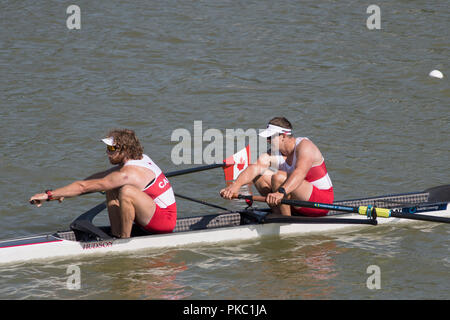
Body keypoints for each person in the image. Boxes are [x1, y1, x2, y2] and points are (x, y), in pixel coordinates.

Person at [29, 129, 177, 238]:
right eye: (107, 148)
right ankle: (117, 234)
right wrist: (60, 194)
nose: (107, 152)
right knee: (110, 187)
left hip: (164, 221)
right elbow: (91, 182)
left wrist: (48, 195)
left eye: (112, 148)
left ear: (125, 150)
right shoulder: (139, 158)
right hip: (152, 212)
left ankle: (124, 242)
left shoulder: (128, 174)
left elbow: (83, 187)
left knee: (126, 191)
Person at [220, 117, 333, 216]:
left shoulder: (305, 146)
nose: (267, 140)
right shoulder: (274, 153)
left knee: (278, 177)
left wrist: (281, 193)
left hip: (321, 203)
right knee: (259, 174)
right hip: (298, 201)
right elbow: (255, 167)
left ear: (283, 136)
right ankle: (278, 213)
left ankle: (286, 221)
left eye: (270, 137)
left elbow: (300, 173)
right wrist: (235, 186)